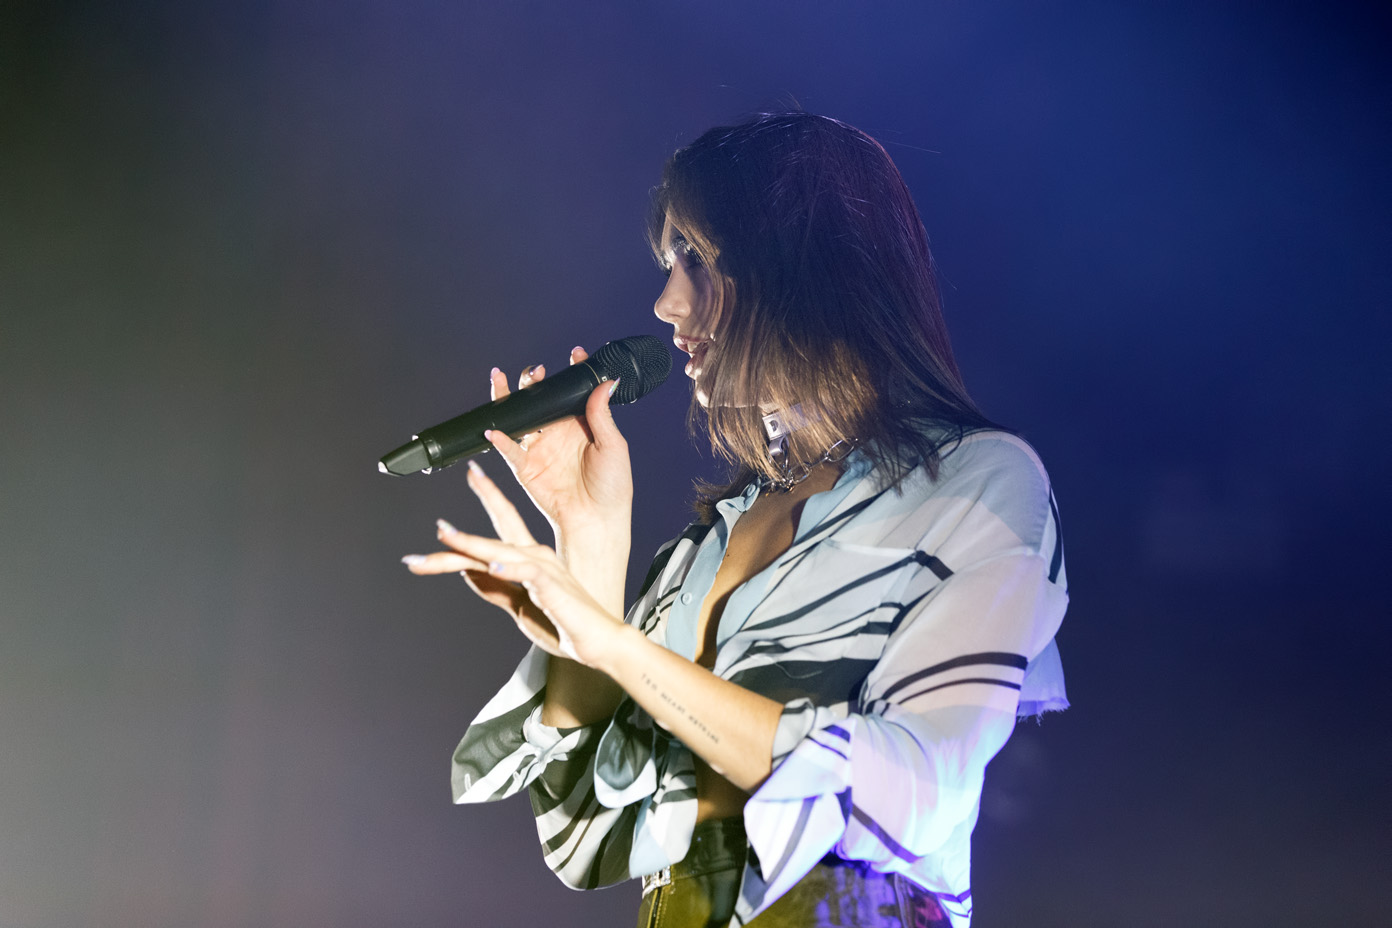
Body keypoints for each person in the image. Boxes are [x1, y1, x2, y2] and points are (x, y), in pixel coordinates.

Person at [401, 112, 1069, 928]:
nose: (666, 302)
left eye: (698, 259)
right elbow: (582, 840)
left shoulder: (974, 483)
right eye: (666, 263)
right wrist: (592, 538)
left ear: (805, 265)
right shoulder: (709, 543)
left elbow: (921, 791)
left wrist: (619, 647)